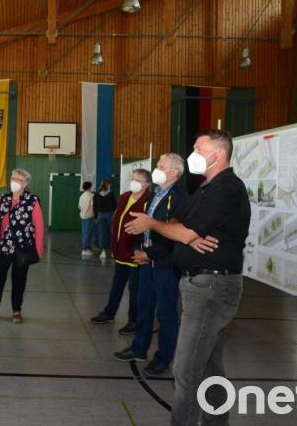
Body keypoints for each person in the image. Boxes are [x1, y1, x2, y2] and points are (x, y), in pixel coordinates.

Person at [124, 130, 250, 426]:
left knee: (186, 368)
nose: (193, 152)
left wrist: (154, 224)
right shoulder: (207, 187)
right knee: (209, 367)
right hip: (200, 285)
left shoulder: (226, 188)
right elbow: (182, 223)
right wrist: (187, 236)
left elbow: (181, 228)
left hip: (212, 286)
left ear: (218, 154)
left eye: (198, 148)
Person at [113, 153, 188, 379]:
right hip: (146, 261)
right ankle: (139, 348)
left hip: (165, 264)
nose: (156, 169)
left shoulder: (180, 198)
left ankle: (163, 358)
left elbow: (172, 233)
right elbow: (144, 224)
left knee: (165, 313)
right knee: (144, 306)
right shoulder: (156, 194)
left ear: (174, 172)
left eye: (161, 166)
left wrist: (149, 253)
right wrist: (138, 248)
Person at [0, 169, 44, 324]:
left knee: (19, 280)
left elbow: (39, 226)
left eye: (19, 179)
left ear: (26, 183)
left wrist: (39, 248)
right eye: (13, 178)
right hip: (3, 247)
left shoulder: (32, 201)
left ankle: (16, 311)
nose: (15, 181)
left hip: (23, 248)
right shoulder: (3, 199)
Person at [89, 169, 151, 335]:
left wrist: (138, 248)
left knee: (135, 290)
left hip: (135, 254)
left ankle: (134, 320)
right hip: (120, 252)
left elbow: (148, 229)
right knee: (116, 285)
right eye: (132, 178)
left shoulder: (148, 201)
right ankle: (109, 312)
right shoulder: (124, 197)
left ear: (146, 184)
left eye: (137, 179)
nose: (133, 181)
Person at [93, 179, 116, 259]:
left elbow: (95, 207)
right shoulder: (111, 193)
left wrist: (95, 217)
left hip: (100, 215)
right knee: (112, 233)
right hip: (110, 214)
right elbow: (114, 205)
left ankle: (103, 252)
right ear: (108, 185)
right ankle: (113, 251)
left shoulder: (96, 194)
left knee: (102, 233)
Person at [78, 181, 95, 256]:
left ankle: (87, 247)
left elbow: (79, 206)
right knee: (87, 233)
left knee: (84, 232)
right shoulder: (92, 196)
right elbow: (93, 207)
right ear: (89, 187)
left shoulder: (82, 196)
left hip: (83, 216)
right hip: (89, 216)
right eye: (91, 186)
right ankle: (84, 250)